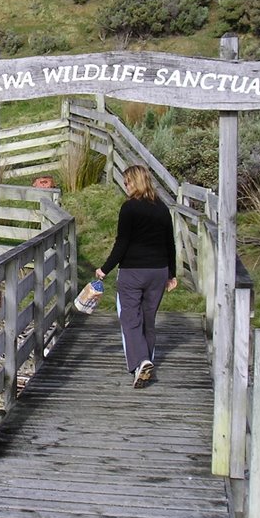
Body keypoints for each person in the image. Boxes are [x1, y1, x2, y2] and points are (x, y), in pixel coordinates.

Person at [95, 164, 177, 389]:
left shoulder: (129, 208)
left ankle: (141, 362)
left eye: (127, 181)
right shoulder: (162, 208)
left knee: (130, 319)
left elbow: (122, 243)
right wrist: (172, 273)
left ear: (135, 182)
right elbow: (170, 243)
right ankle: (146, 363)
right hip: (158, 272)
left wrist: (105, 269)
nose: (125, 186)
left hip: (133, 272)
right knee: (148, 320)